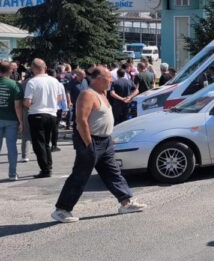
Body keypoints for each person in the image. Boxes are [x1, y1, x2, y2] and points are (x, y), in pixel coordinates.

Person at [51, 66, 146, 223]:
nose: (111, 81)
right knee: (80, 176)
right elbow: (81, 120)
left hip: (105, 141)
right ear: (98, 79)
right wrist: (89, 144)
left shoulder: (103, 93)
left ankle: (126, 202)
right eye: (108, 78)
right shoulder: (88, 94)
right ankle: (61, 210)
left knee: (113, 173)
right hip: (91, 141)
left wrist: (108, 136)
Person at [24, 59, 62, 178]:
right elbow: (60, 98)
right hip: (52, 114)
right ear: (45, 68)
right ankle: (48, 167)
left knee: (38, 143)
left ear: (33, 69)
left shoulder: (32, 82)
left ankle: (45, 169)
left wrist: (30, 104)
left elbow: (27, 102)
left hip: (37, 114)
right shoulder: (54, 81)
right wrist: (50, 102)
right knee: (46, 142)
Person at [0, 62, 24, 181]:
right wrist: (21, 121)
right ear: (10, 71)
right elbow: (17, 106)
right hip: (11, 120)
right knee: (12, 147)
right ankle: (12, 174)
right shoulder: (14, 85)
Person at [48, 68, 67, 153]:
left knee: (47, 128)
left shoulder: (44, 84)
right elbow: (63, 97)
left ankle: (46, 144)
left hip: (47, 108)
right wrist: (65, 108)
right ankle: (54, 145)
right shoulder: (59, 84)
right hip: (57, 108)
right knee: (55, 128)